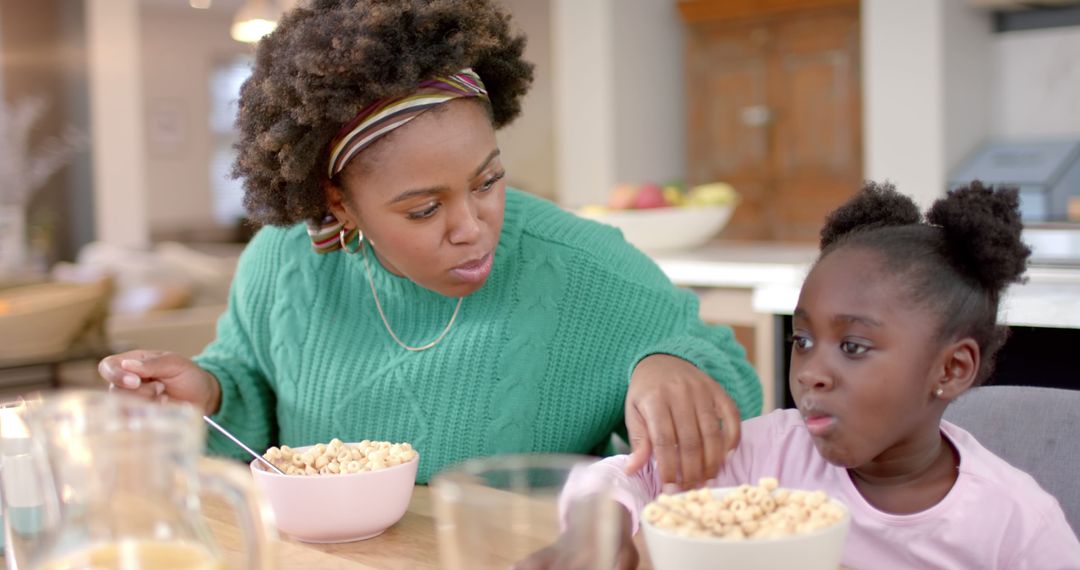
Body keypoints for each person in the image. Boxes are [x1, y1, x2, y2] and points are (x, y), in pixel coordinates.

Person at [96, 0, 761, 485]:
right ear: (339, 203)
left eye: (488, 180)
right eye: (422, 210)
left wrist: (670, 364)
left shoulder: (584, 262)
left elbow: (734, 384)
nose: (471, 225)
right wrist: (209, 393)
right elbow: (251, 394)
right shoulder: (282, 262)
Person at [529, 182, 1080, 569]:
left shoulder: (1017, 525)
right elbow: (623, 476)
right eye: (802, 340)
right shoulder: (767, 458)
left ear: (951, 369)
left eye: (855, 346)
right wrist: (595, 526)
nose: (812, 372)